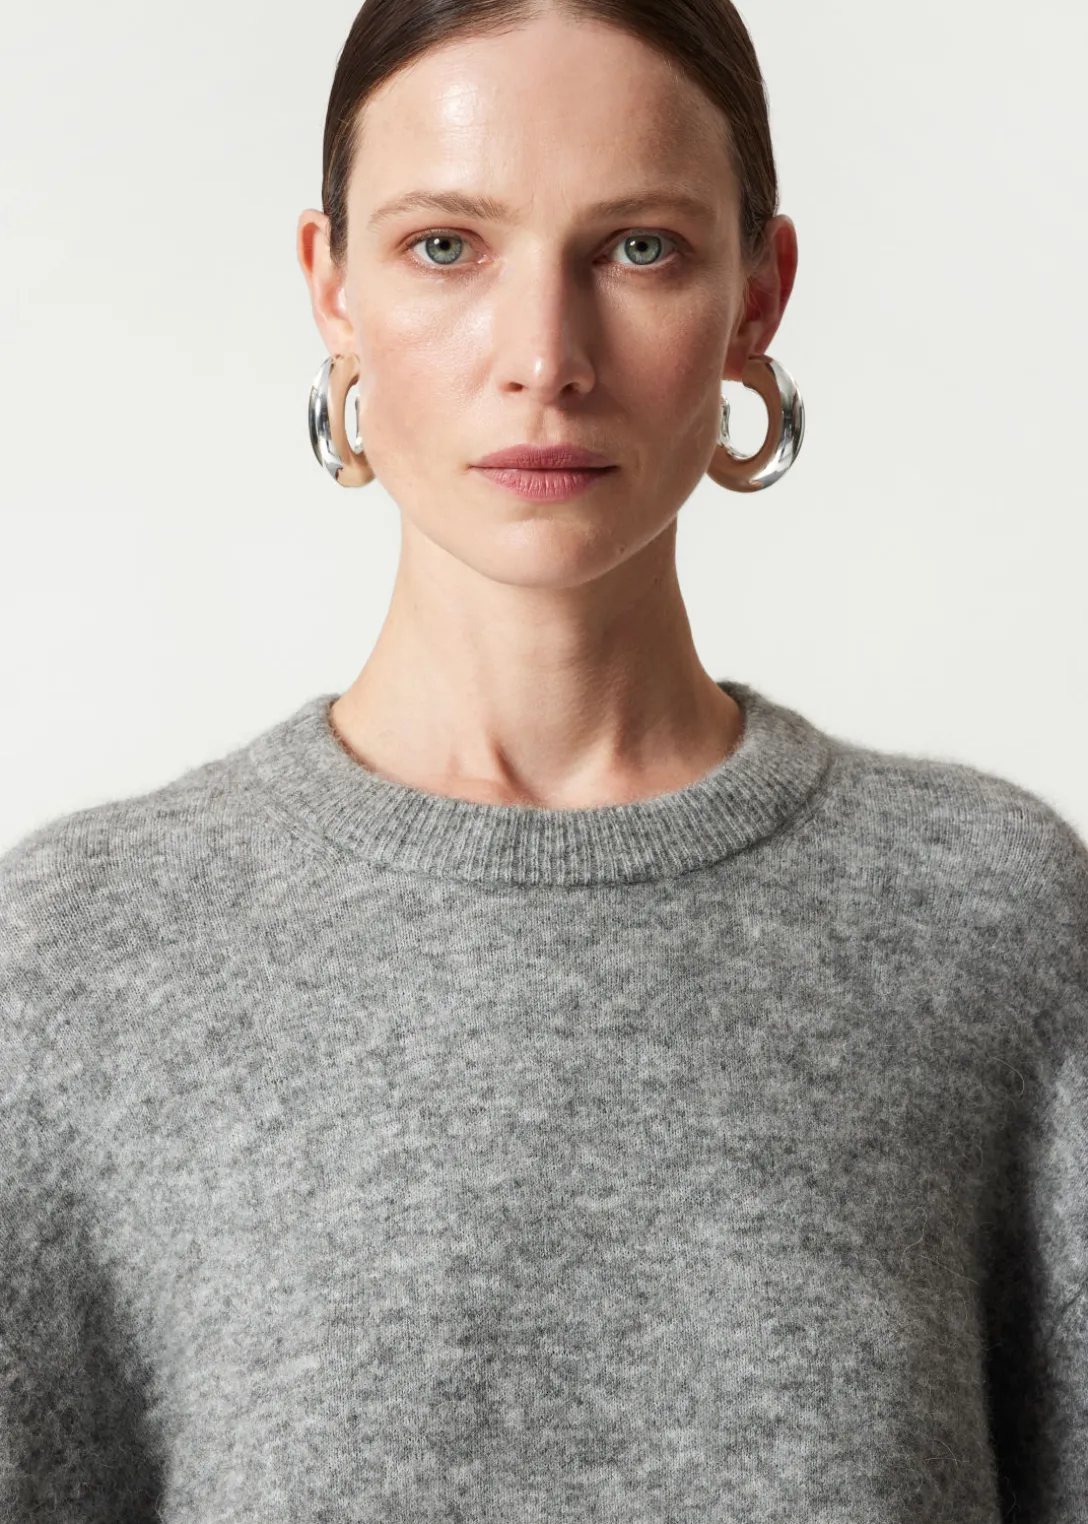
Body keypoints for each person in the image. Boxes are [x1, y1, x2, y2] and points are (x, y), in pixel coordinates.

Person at [1, 3, 1084, 1521]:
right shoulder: (78, 960)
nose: (543, 359)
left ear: (758, 296)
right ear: (333, 287)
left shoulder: (994, 918)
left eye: (639, 248)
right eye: (447, 246)